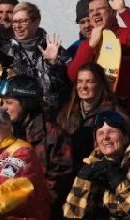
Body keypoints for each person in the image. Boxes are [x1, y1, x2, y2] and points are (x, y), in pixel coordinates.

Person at [65, 0, 130, 122]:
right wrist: (90, 46)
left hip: (129, 112)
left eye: (101, 9)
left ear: (112, 11)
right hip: (96, 111)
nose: (95, 14)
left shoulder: (124, 36)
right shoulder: (88, 43)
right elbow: (74, 75)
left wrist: (123, 10)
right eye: (92, 11)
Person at [45, 63, 122, 207]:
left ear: (100, 84)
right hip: (67, 176)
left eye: (90, 81)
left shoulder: (114, 113)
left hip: (98, 178)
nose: (83, 86)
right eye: (80, 81)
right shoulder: (66, 112)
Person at [3, 1, 70, 115]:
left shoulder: (54, 48)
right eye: (15, 21)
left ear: (36, 22)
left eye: (23, 21)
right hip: (20, 116)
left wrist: (53, 65)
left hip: (52, 116)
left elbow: (68, 85)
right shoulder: (6, 52)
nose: (17, 26)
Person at [0, 75, 47, 164]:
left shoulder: (50, 134)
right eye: (2, 102)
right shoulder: (6, 131)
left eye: (9, 102)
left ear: (27, 104)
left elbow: (58, 174)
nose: (3, 108)